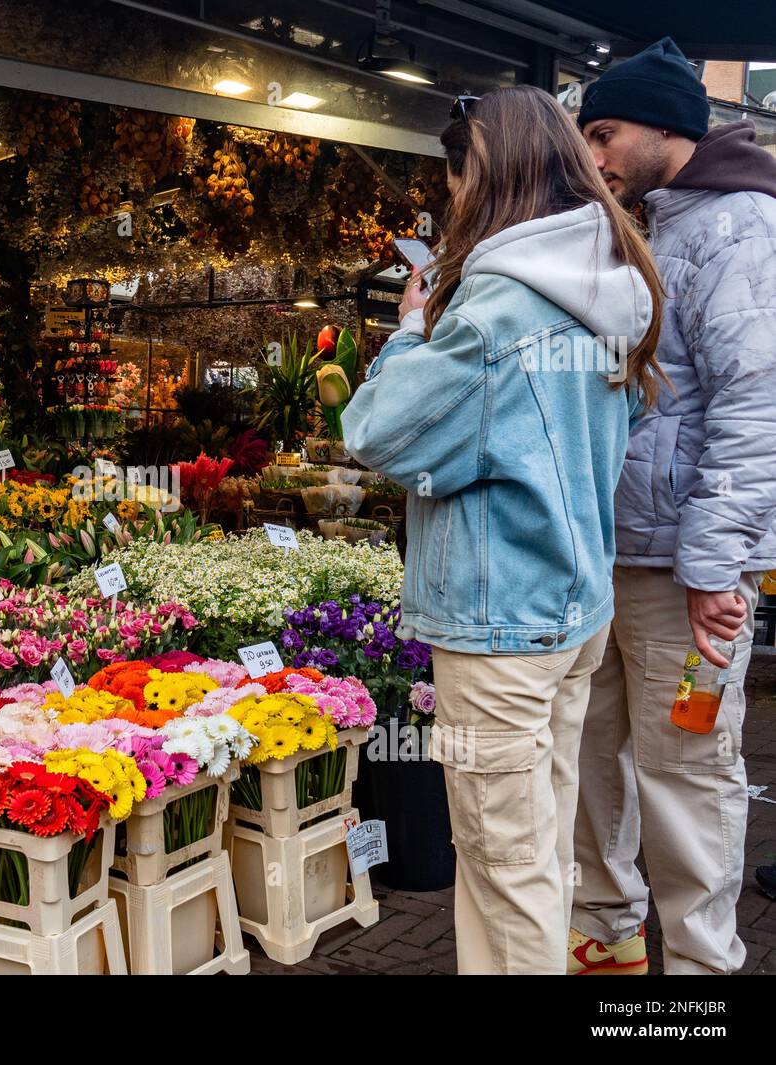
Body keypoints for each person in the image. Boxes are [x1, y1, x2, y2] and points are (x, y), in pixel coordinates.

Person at [342, 85, 664, 975]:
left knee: (506, 867)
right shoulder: (612, 283)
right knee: (536, 855)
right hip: (571, 611)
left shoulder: (496, 314)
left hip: (498, 628)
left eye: (456, 181)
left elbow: (377, 431)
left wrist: (410, 328)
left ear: (487, 176)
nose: (451, 203)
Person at [569, 37, 776, 976]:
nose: (594, 152)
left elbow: (757, 404)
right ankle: (608, 938)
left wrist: (712, 567)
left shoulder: (738, 229)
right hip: (614, 556)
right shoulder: (650, 220)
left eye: (605, 132)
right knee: (594, 758)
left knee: (687, 779)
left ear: (665, 126)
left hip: (677, 573)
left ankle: (698, 978)